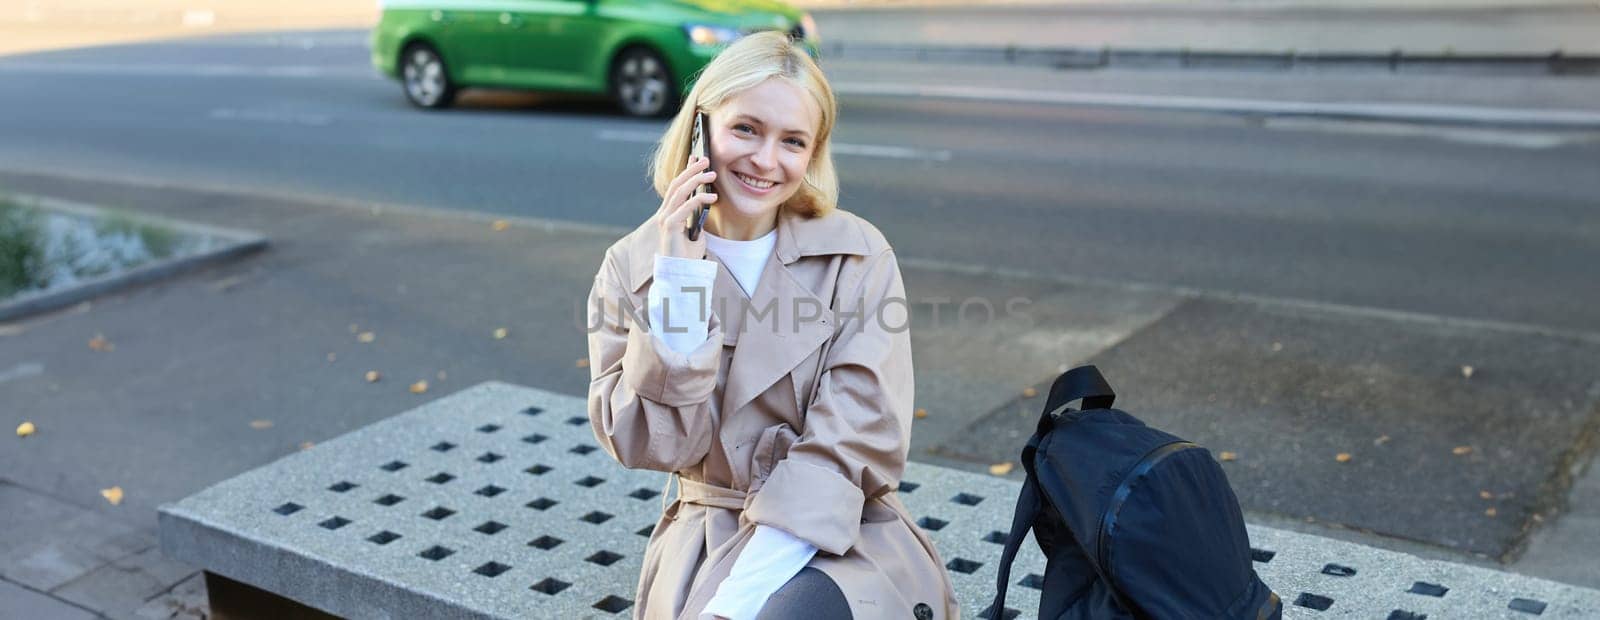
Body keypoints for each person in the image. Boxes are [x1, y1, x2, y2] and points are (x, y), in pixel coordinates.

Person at [585, 31, 959, 620]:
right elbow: (652, 443)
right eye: (746, 129)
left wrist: (734, 605)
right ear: (701, 127)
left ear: (814, 154)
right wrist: (680, 287)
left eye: (793, 141)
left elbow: (854, 442)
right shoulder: (633, 267)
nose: (766, 160)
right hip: (705, 539)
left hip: (838, 533)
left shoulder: (856, 254)